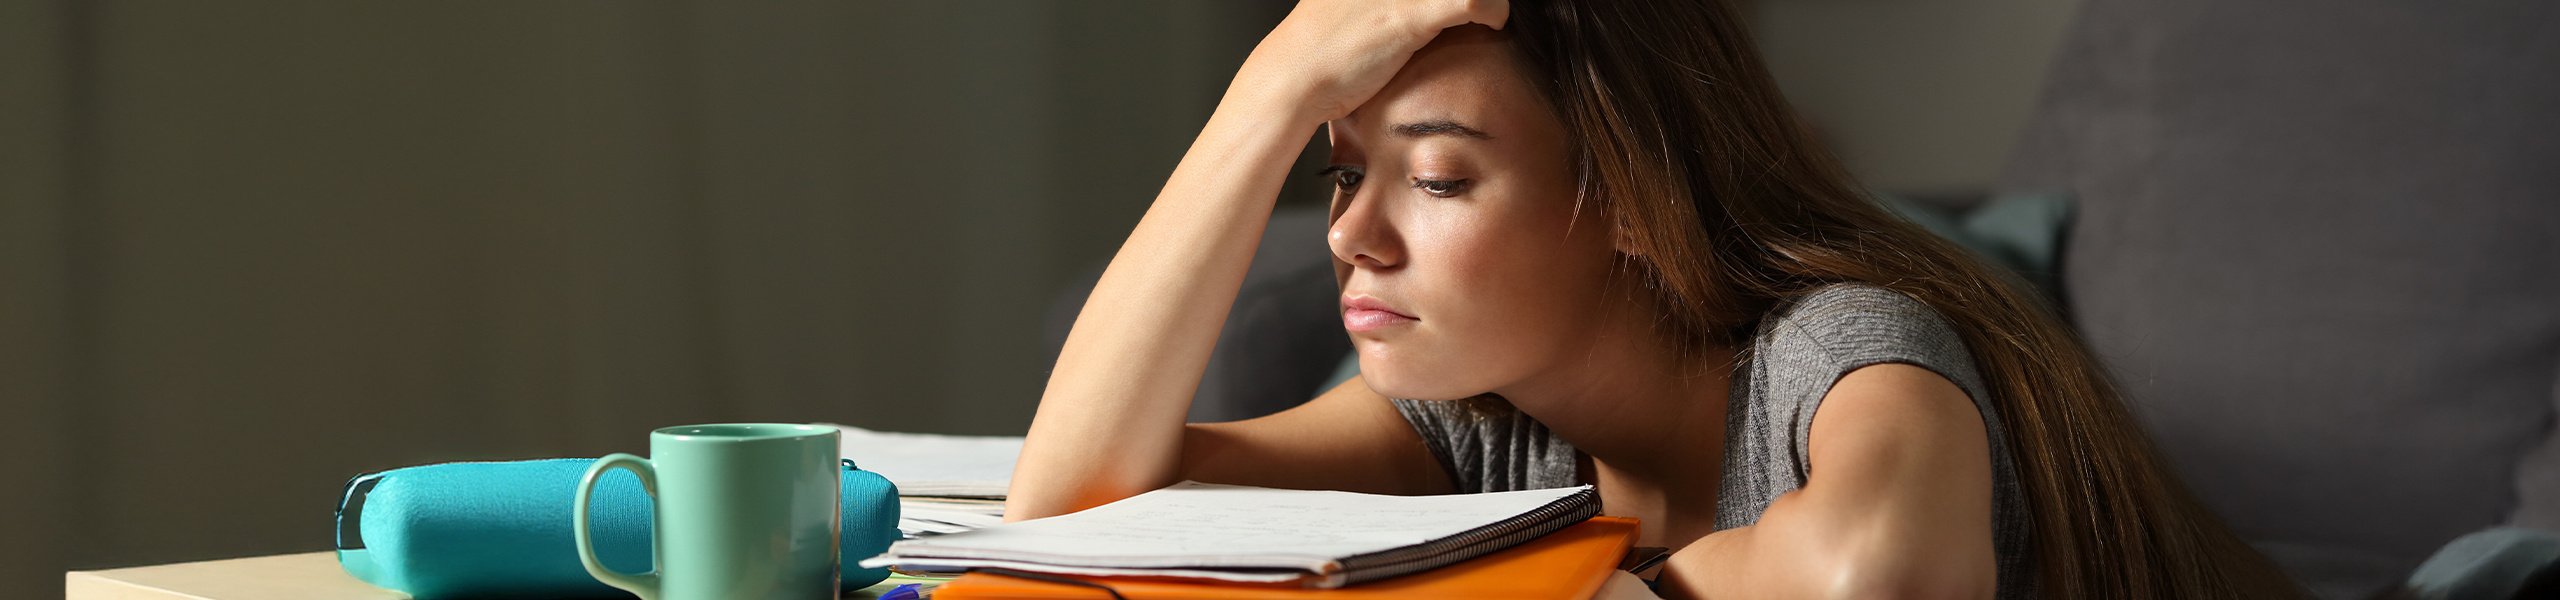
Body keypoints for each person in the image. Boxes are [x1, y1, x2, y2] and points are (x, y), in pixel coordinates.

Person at [1006, 1, 2300, 597]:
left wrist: (1565, 578)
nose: (1353, 234)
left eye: (1441, 177)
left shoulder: (1844, 352)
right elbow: (1073, 510)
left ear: (1630, 197)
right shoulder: (1477, 417)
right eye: (1344, 171)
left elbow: (1879, 577)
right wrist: (1267, 90)